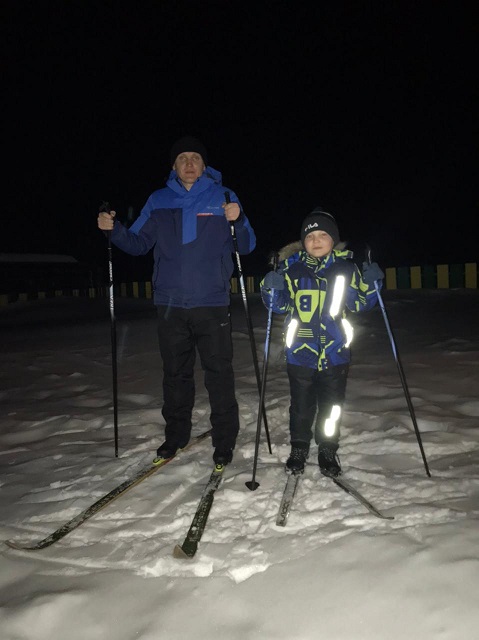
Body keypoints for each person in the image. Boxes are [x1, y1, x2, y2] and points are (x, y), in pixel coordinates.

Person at [97, 135, 256, 466]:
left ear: (204, 165)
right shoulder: (158, 200)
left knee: (219, 374)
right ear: (173, 165)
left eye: (195, 157)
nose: (189, 163)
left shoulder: (224, 197)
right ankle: (176, 435)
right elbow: (138, 243)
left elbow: (246, 245)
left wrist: (238, 220)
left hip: (211, 302)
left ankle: (224, 439)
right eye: (182, 158)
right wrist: (113, 230)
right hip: (170, 303)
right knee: (175, 374)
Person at [260, 208, 384, 476]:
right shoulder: (291, 268)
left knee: (332, 406)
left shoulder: (346, 268)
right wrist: (270, 287)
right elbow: (278, 306)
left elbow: (360, 304)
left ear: (334, 239)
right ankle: (299, 447)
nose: (315, 240)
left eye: (322, 235)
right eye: (310, 236)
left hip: (335, 351)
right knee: (301, 406)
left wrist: (371, 284)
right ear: (303, 241)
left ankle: (327, 447)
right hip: (300, 351)